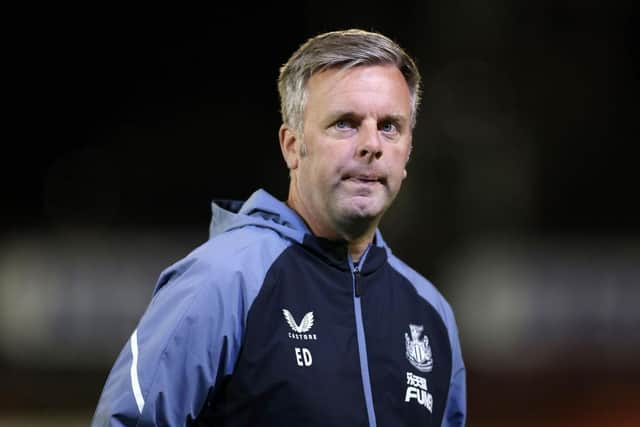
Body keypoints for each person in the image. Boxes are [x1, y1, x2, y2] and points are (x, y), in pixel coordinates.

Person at [92, 28, 466, 427]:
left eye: (390, 126)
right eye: (345, 123)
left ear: (407, 151)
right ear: (292, 146)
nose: (372, 144)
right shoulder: (223, 281)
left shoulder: (431, 315)